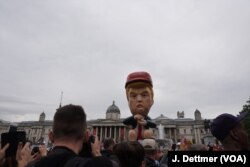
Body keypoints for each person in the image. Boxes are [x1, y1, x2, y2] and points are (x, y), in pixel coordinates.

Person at [22, 104, 113, 167]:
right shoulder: (95, 164)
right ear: (86, 136)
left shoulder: (31, 165)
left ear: (50, 136)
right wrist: (97, 153)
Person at [123, 71, 156, 141]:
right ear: (128, 101)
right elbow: (125, 122)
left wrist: (146, 122)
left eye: (144, 95)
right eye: (133, 96)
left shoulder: (146, 118)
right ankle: (132, 147)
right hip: (134, 134)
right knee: (131, 133)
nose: (139, 99)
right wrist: (134, 118)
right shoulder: (133, 118)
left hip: (145, 134)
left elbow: (154, 124)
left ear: (152, 101)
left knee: (148, 133)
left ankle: (148, 148)